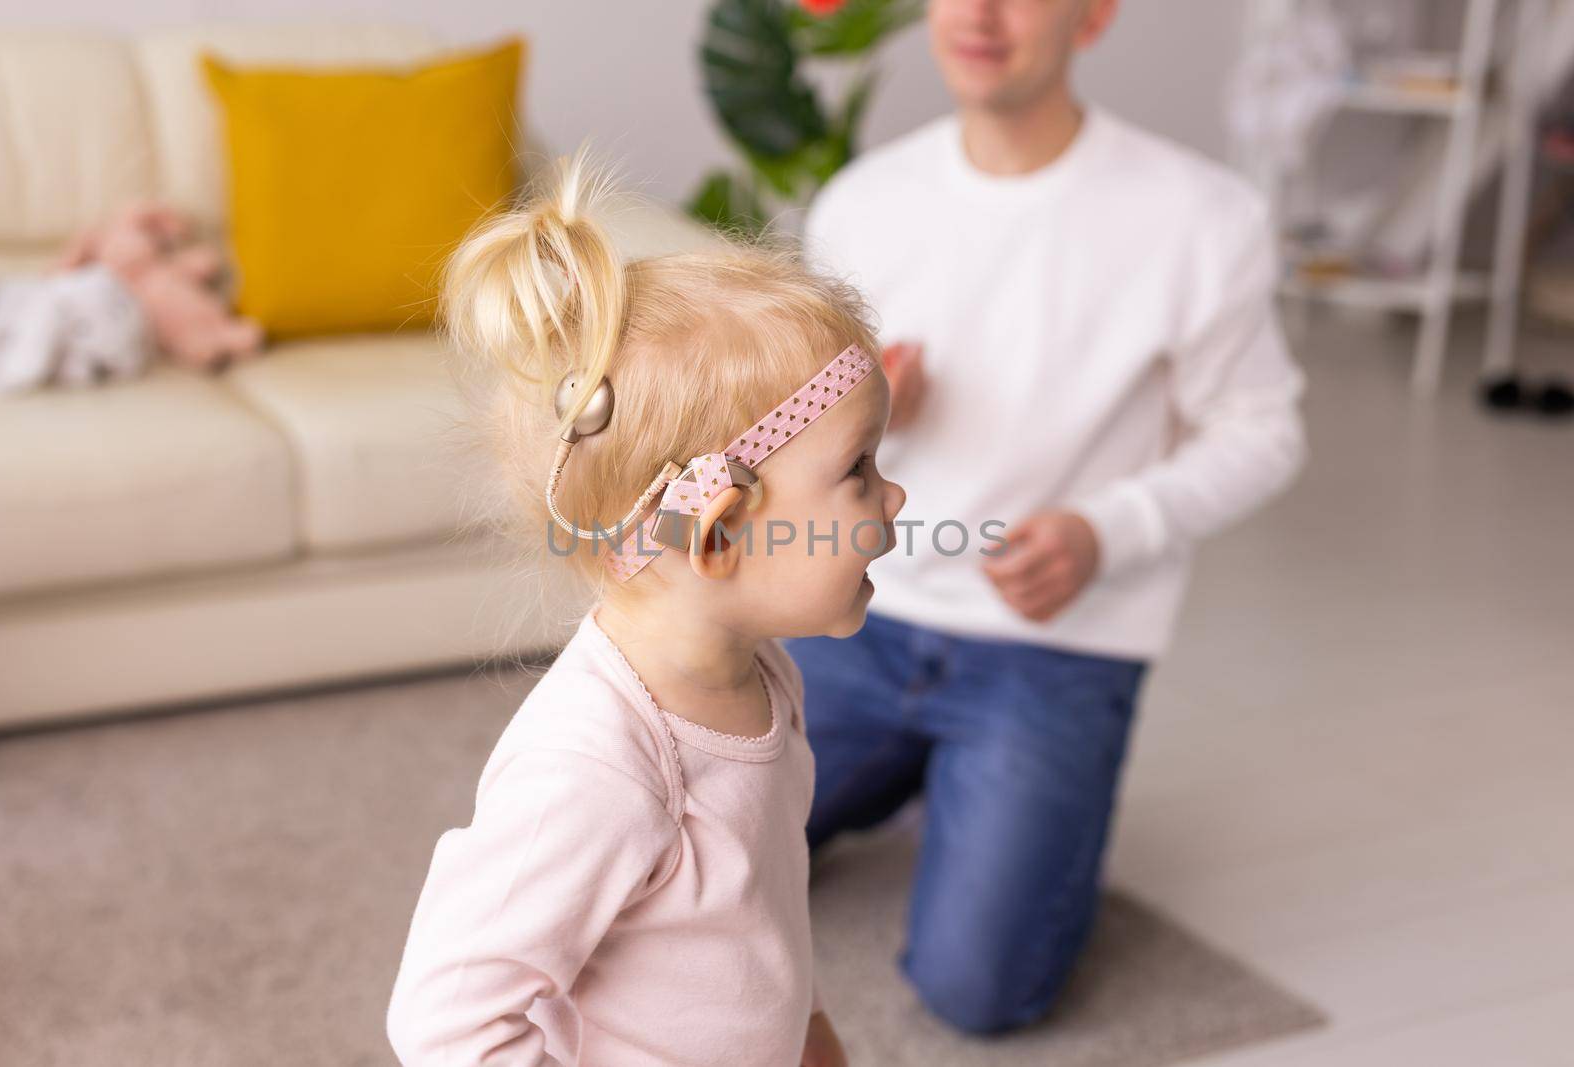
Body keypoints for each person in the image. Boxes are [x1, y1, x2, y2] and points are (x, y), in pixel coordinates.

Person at [786, 0, 1308, 1036]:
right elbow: (791, 432)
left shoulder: (1200, 216)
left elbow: (1264, 432)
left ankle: (964, 778)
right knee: (680, 853)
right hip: (861, 615)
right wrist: (866, 416)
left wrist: (1106, 529)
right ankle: (906, 769)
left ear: (1093, 14)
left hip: (1051, 648)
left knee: (980, 990)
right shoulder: (861, 203)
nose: (977, 15)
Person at [385, 151, 905, 1067]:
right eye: (858, 469)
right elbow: (449, 1023)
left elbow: (759, 915)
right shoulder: (595, 765)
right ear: (714, 536)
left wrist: (811, 1030)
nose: (894, 497)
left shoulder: (764, 673)